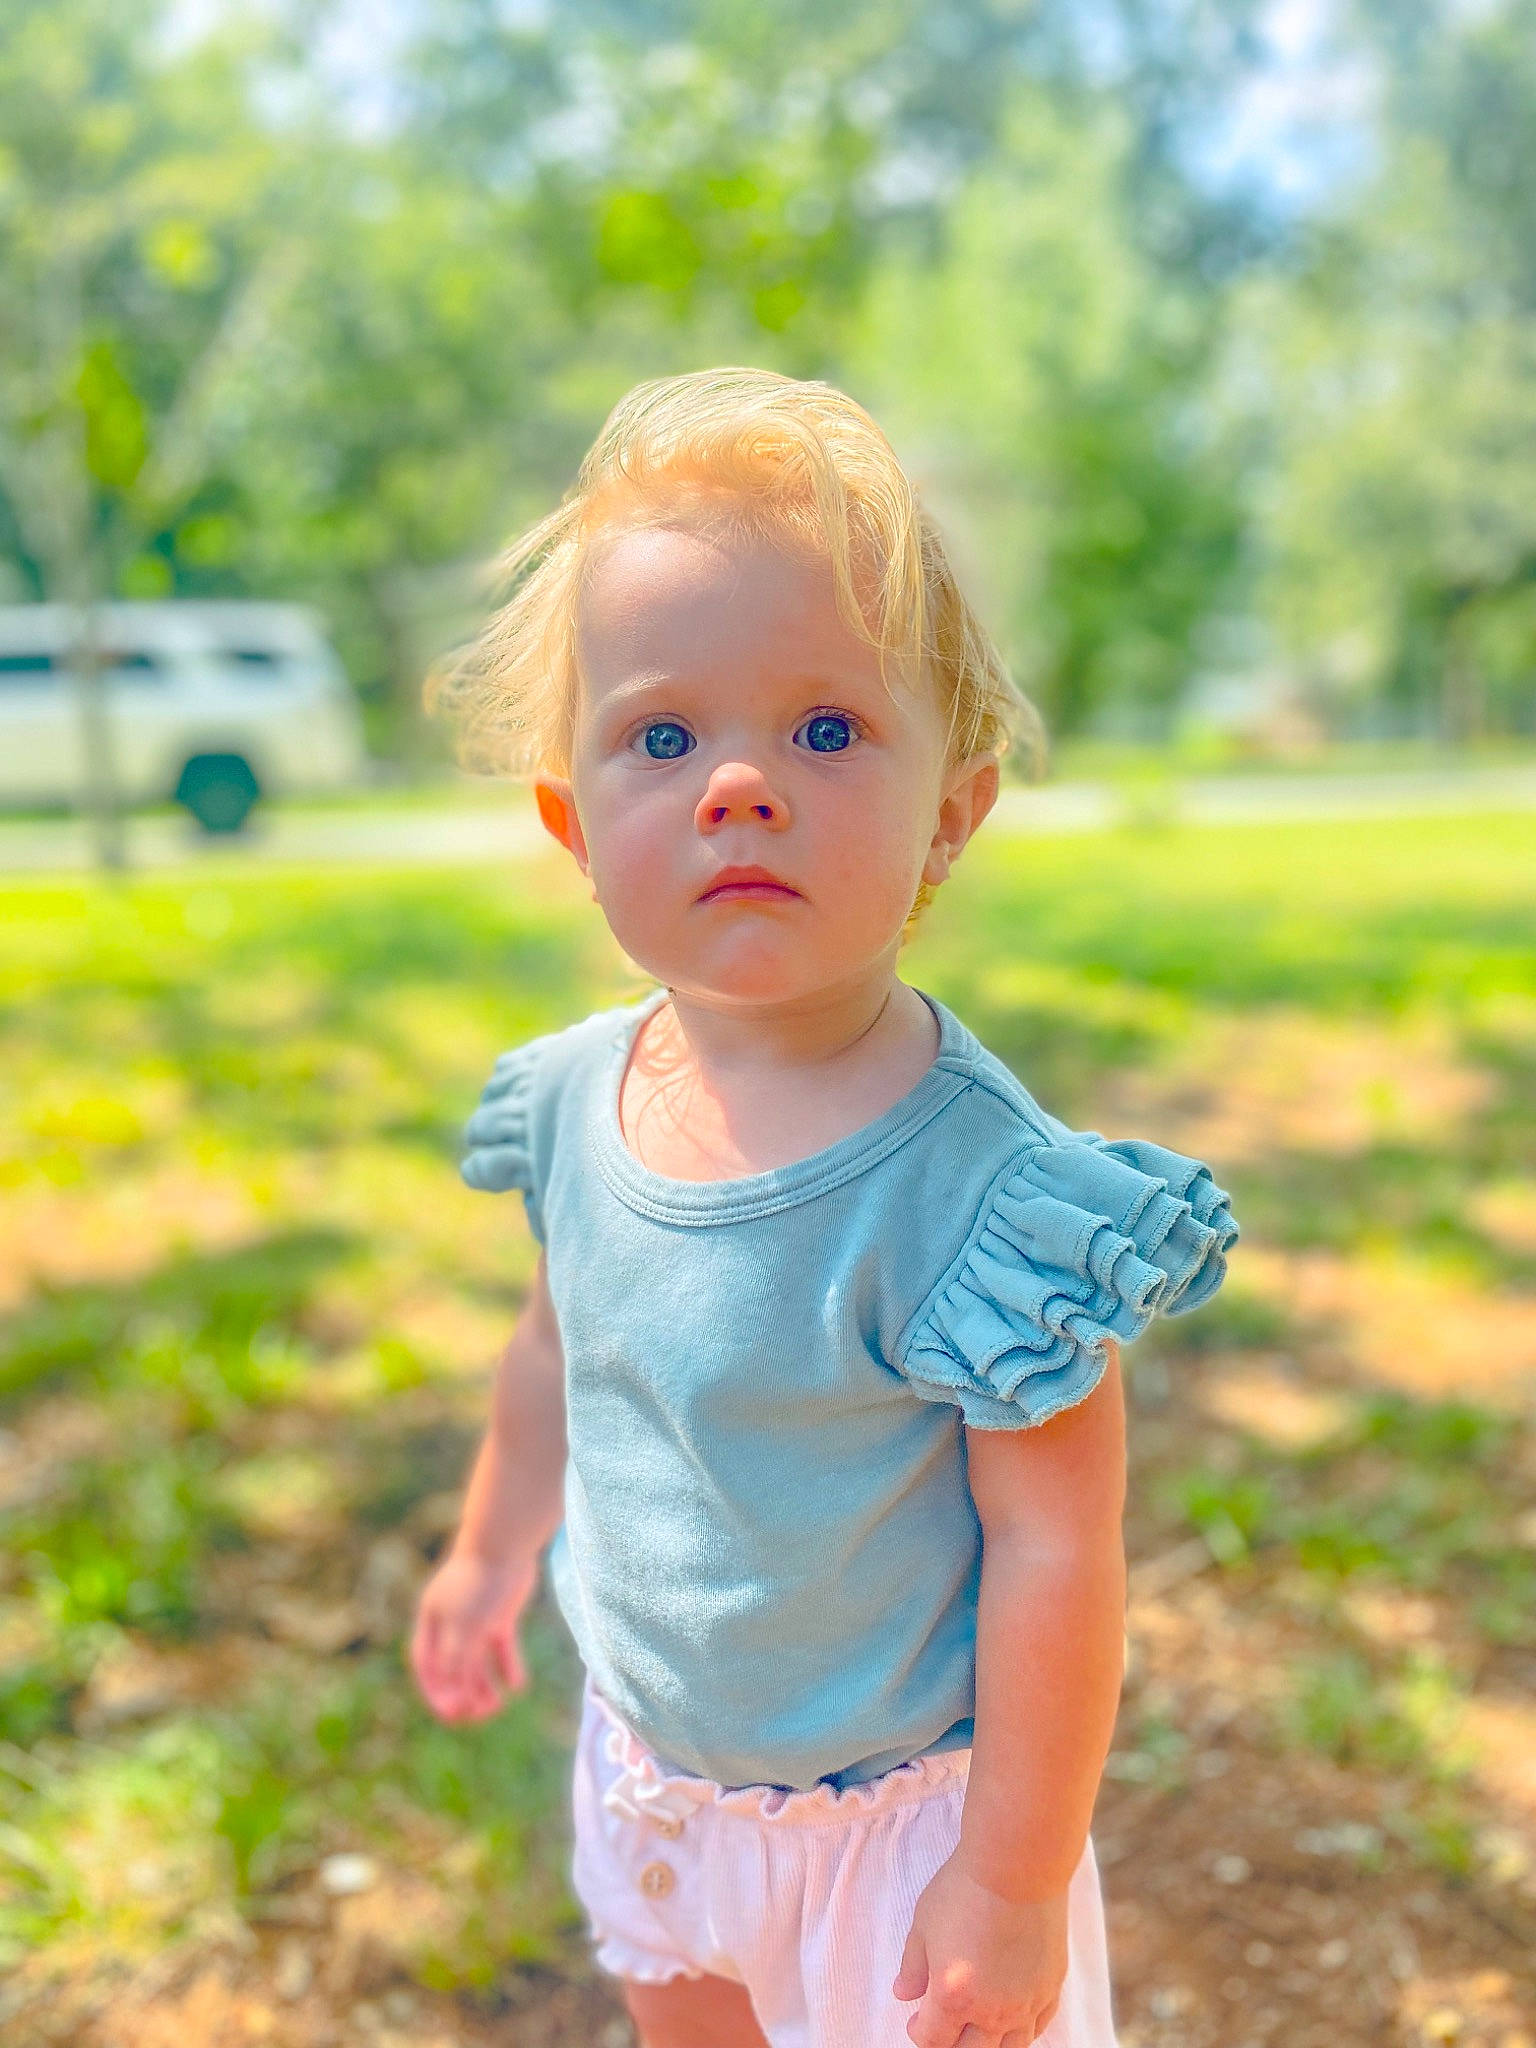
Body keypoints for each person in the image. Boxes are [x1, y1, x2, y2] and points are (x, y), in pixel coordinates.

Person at [409, 367, 1239, 2048]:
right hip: (656, 1780)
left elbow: (1060, 1549)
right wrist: (494, 1549)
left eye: (825, 729)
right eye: (664, 735)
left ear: (952, 813)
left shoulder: (988, 1196)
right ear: (575, 824)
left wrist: (1010, 1882)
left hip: (907, 1831)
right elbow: (559, 1349)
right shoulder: (576, 1101)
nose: (737, 785)